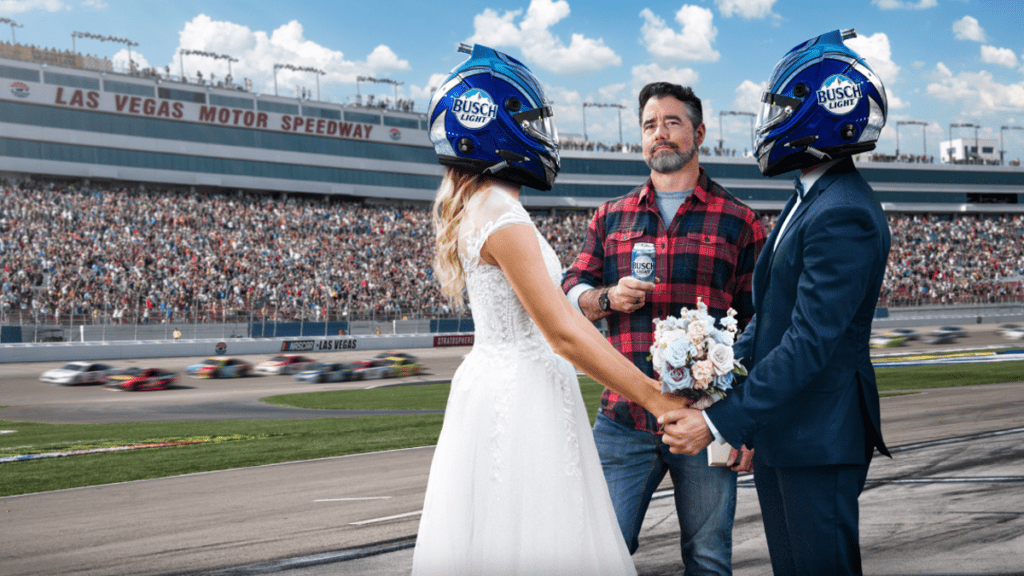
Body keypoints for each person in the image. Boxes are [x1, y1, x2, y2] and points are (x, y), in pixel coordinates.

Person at [410, 44, 690, 575]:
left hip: (501, 387)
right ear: (497, 126)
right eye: (527, 120)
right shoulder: (501, 214)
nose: (541, 134)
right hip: (523, 397)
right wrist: (656, 398)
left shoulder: (484, 205)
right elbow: (561, 332)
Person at [659, 29, 892, 575]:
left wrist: (722, 422)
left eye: (784, 105)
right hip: (791, 433)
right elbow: (773, 317)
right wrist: (718, 371)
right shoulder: (811, 195)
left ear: (820, 113)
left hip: (819, 437)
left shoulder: (843, 212)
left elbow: (808, 342)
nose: (770, 120)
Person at [562, 81, 766, 573]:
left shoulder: (740, 221)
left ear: (699, 133)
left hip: (703, 423)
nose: (661, 134)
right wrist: (607, 297)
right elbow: (571, 289)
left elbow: (762, 326)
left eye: (673, 123)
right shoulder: (609, 217)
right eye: (651, 125)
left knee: (709, 558)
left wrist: (746, 426)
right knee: (597, 553)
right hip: (623, 419)